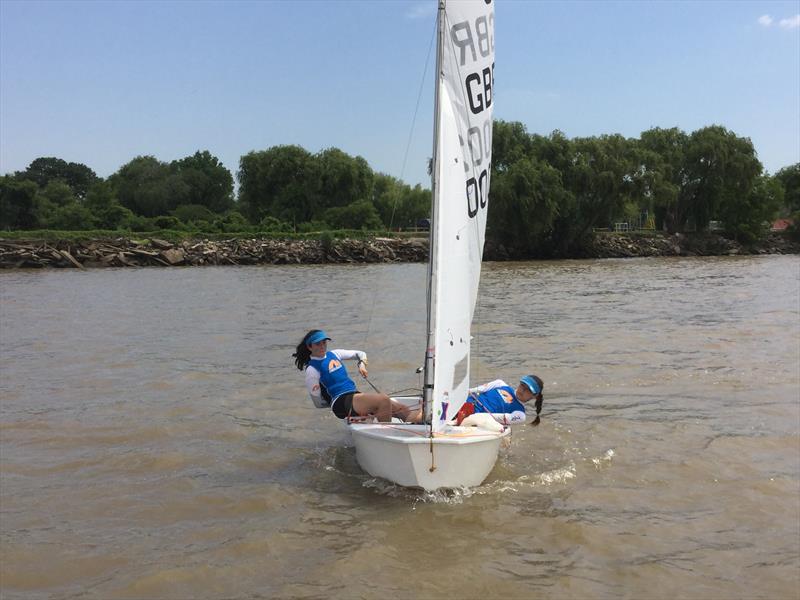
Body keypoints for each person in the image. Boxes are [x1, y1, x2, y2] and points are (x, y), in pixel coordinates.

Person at [293, 329, 422, 423]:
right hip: (341, 402)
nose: (322, 346)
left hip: (354, 396)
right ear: (310, 347)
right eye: (318, 344)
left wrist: (362, 365)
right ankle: (387, 435)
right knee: (383, 400)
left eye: (324, 343)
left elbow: (360, 353)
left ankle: (420, 420)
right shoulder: (312, 370)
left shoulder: (335, 354)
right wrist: (335, 403)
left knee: (402, 409)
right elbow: (318, 403)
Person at [455, 375, 545, 426]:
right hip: (461, 404)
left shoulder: (520, 414)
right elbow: (471, 391)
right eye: (522, 385)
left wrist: (469, 415)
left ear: (534, 396)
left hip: (472, 418)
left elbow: (492, 417)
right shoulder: (500, 384)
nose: (522, 390)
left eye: (528, 390)